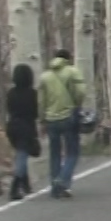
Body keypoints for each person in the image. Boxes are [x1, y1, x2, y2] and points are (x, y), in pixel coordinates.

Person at [38, 49, 86, 199]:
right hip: (69, 116)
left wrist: (42, 119)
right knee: (72, 152)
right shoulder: (73, 72)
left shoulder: (45, 76)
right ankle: (63, 180)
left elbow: (41, 101)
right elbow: (80, 92)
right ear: (68, 59)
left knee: (54, 154)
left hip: (51, 119)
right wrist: (77, 105)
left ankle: (55, 188)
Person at [5, 63, 39, 201]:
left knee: (20, 153)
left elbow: (9, 109)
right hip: (26, 126)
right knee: (22, 156)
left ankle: (26, 184)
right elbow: (34, 113)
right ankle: (15, 186)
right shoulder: (32, 93)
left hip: (12, 126)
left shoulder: (11, 93)